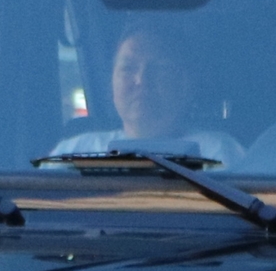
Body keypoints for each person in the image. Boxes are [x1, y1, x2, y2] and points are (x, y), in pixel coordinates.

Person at [49, 23, 244, 165]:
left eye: (159, 69)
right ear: (112, 82)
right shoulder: (73, 153)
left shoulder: (219, 152)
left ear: (184, 84)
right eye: (128, 68)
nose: (141, 80)